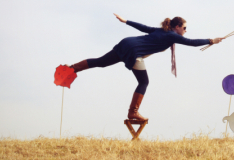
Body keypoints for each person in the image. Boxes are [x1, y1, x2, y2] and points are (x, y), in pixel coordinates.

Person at [68, 14, 224, 121]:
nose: (185, 31)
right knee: (144, 82)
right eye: (184, 28)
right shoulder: (172, 35)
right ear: (177, 27)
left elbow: (142, 27)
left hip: (126, 43)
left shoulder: (161, 31)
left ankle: (72, 69)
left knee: (100, 62)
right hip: (134, 51)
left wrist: (126, 21)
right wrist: (212, 40)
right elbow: (192, 42)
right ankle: (133, 112)